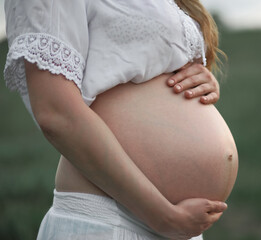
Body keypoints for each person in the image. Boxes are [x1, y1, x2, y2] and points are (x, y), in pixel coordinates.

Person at [4, 0, 238, 239]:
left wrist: (203, 78)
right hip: (110, 220)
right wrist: (162, 216)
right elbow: (55, 112)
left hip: (174, 224)